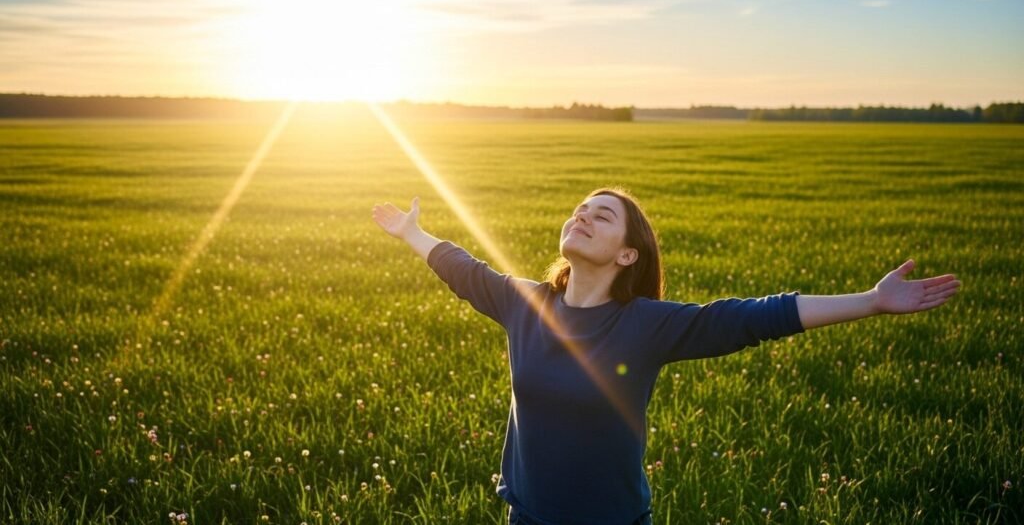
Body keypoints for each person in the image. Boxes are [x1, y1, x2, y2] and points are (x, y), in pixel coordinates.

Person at [371, 188, 961, 525]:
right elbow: (463, 269)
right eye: (580, 209)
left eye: (602, 215)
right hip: (526, 517)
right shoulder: (524, 303)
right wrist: (411, 233)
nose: (582, 216)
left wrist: (872, 301)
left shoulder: (645, 325)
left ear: (627, 255)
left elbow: (755, 316)